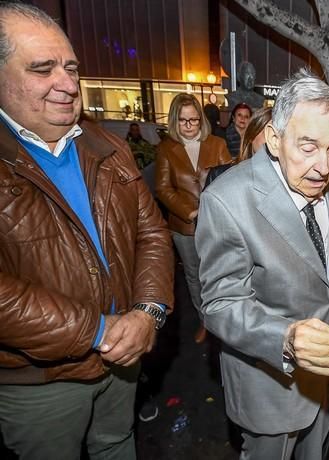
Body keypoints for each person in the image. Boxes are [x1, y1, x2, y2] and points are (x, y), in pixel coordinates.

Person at [0, 3, 174, 459]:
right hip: (41, 380)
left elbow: (151, 232)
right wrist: (97, 331)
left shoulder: (106, 145)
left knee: (117, 444)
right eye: (43, 69)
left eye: (71, 67)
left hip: (125, 358)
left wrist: (148, 312)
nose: (68, 84)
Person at [195, 69, 329, 460]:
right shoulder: (226, 200)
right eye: (308, 146)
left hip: (328, 370)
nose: (324, 165)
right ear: (273, 138)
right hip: (271, 384)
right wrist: (285, 338)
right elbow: (220, 305)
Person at [155, 93, 231, 344]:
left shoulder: (217, 144)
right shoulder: (166, 148)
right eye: (183, 121)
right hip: (184, 226)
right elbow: (163, 189)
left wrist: (212, 210)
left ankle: (225, 318)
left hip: (216, 225)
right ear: (175, 121)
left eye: (194, 120)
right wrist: (190, 212)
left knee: (221, 271)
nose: (189, 126)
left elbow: (228, 181)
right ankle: (205, 321)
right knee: (194, 276)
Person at [205, 107, 272, 187]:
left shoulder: (285, 180)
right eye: (269, 133)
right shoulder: (220, 175)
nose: (275, 141)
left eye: (282, 136)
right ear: (251, 135)